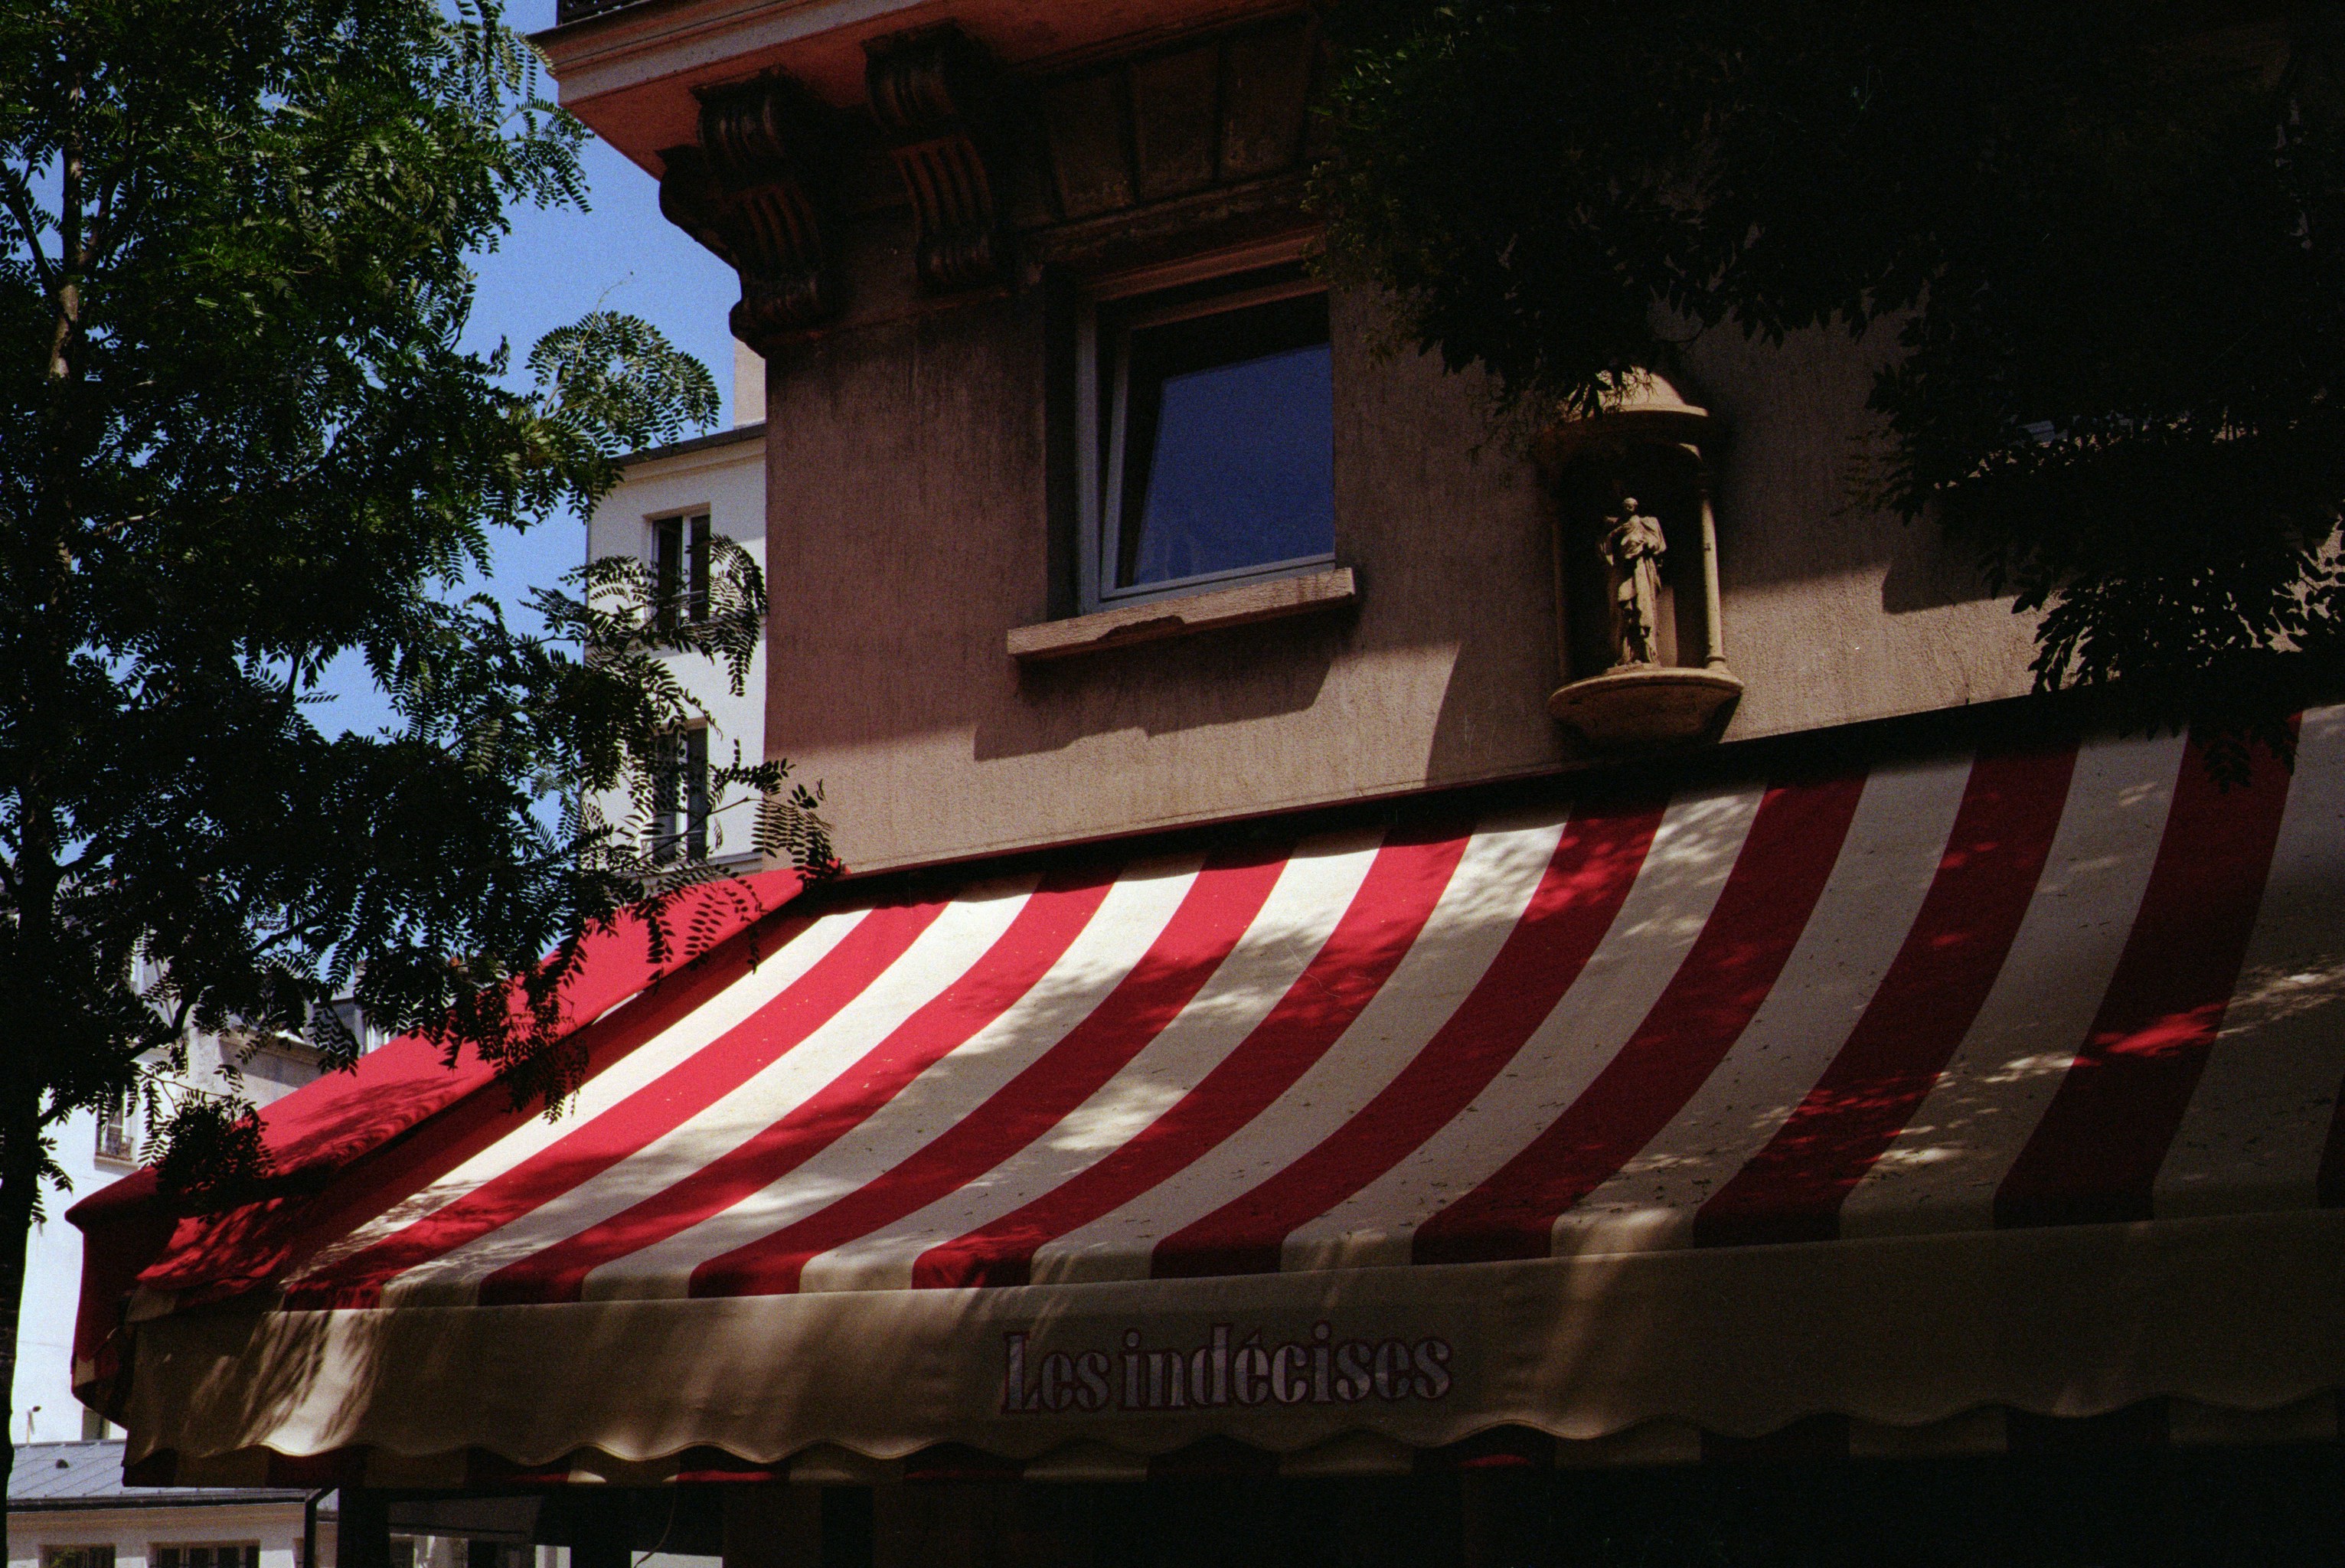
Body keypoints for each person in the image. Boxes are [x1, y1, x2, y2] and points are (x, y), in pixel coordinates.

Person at [1601, 497, 1667, 667]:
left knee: (1643, 608)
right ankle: (1626, 655)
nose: (1629, 508)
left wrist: (1644, 545)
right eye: (1625, 506)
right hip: (1624, 571)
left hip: (1642, 570)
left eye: (1631, 506)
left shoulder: (1647, 522)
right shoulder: (1618, 526)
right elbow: (1606, 547)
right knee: (1624, 613)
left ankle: (1647, 653)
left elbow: (1657, 543)